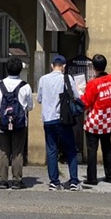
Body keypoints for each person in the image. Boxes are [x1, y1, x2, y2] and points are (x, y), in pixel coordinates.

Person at [37, 54, 81, 191]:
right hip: (63, 119)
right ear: (64, 66)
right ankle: (74, 181)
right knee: (71, 150)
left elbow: (39, 98)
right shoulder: (67, 78)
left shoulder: (43, 79)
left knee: (51, 150)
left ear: (51, 66)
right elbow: (76, 96)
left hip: (48, 119)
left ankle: (54, 182)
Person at [0, 57, 34, 190]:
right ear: (20, 70)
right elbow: (30, 106)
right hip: (20, 123)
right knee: (17, 152)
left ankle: (3, 180)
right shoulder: (25, 86)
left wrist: (1, 111)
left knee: (3, 150)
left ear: (6, 69)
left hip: (2, 122)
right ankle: (17, 180)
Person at [80, 54, 111, 185]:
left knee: (92, 150)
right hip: (108, 118)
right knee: (107, 148)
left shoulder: (93, 83)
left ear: (93, 67)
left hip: (94, 121)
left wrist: (80, 95)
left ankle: (92, 178)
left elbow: (86, 103)